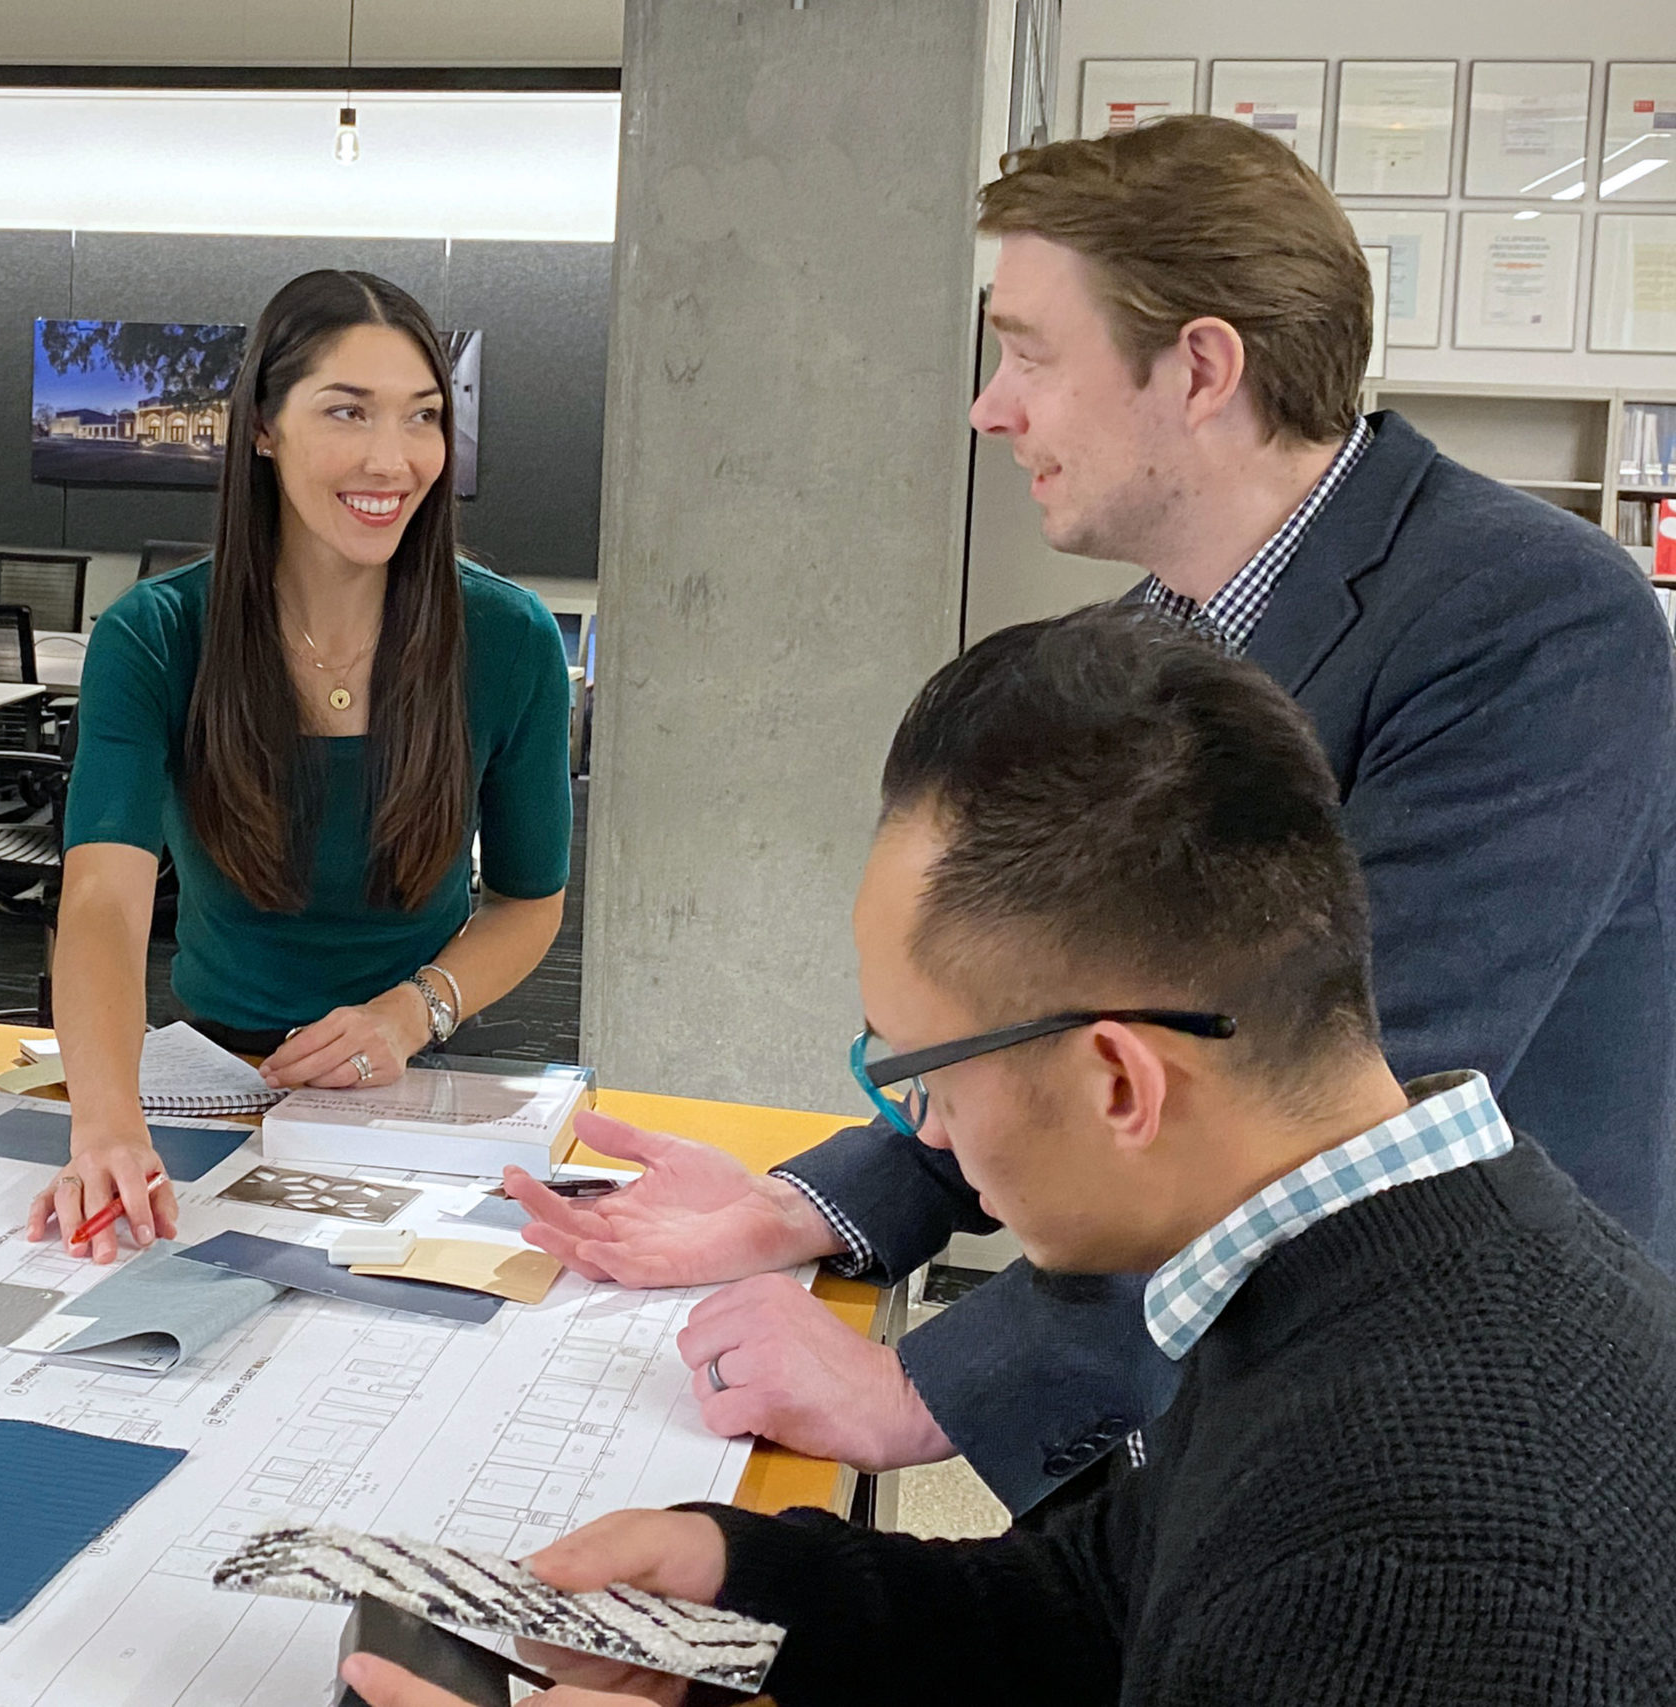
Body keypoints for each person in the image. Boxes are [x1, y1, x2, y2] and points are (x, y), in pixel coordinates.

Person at [510, 114, 1676, 1512]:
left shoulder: (1532, 619)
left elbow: (1312, 1115)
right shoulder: (1145, 642)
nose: (989, 407)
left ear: (1198, 367)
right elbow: (1027, 1019)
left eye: (1028, 351)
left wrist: (922, 1384)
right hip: (1230, 1403)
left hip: (1460, 1433)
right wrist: (802, 1207)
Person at [351, 608, 1676, 1707]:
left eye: (918, 1073)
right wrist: (747, 1579)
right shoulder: (1341, 1265)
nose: (922, 1130)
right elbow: (1094, 1611)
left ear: (1117, 1078)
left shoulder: (1437, 1560)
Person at [28, 270, 573, 1263]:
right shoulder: (156, 635)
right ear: (264, 428)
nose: (391, 457)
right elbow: (102, 901)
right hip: (207, 1071)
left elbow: (530, 902)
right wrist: (104, 1126)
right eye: (346, 412)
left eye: (421, 418)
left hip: (413, 1073)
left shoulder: (509, 637)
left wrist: (410, 1013)